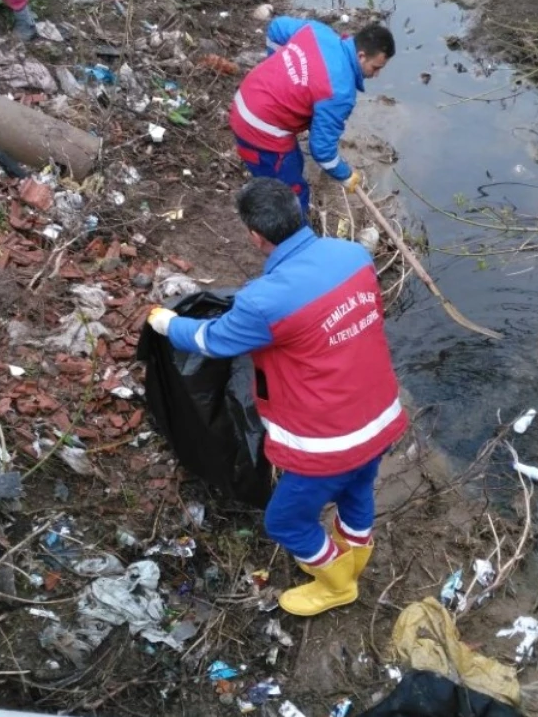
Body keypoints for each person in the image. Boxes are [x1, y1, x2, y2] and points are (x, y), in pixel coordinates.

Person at [146, 178, 406, 617]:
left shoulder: (263, 302)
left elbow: (212, 340)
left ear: (255, 236)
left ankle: (339, 583)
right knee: (358, 490)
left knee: (285, 520)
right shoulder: (354, 256)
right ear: (298, 211)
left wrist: (165, 323)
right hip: (380, 414)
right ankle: (356, 555)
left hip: (329, 443)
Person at [230, 18, 395, 213]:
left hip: (246, 96)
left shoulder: (319, 32)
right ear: (361, 56)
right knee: (291, 198)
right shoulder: (341, 92)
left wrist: (277, 69)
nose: (375, 75)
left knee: (296, 161)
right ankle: (289, 237)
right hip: (259, 128)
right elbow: (322, 152)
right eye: (375, 68)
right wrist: (346, 175)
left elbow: (277, 28)